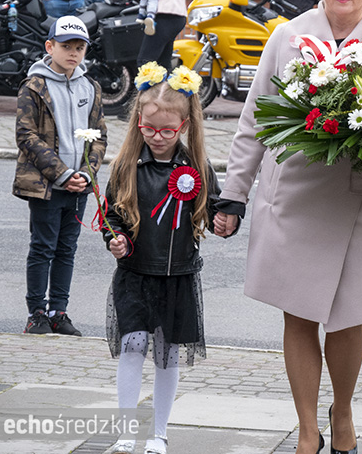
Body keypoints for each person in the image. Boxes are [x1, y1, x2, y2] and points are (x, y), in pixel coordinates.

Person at [214, 0, 362, 454]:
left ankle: (341, 413)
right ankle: (306, 429)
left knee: (347, 318)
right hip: (294, 197)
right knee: (298, 313)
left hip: (359, 197)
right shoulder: (287, 36)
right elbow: (255, 120)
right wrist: (233, 194)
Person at [100, 63, 219, 454]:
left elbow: (218, 211)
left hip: (178, 277)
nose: (157, 137)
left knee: (167, 357)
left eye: (167, 131)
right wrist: (115, 238)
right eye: (148, 128)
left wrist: (227, 219)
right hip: (134, 275)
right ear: (138, 121)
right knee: (132, 348)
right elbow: (111, 215)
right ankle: (125, 433)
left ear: (184, 125)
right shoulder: (125, 166)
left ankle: (159, 433)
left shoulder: (197, 168)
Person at [12, 15, 107, 337]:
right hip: (47, 185)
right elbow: (26, 136)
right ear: (50, 46)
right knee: (43, 248)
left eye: (79, 48)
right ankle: (36, 313)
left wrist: (87, 173)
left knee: (67, 249)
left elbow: (99, 136)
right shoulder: (34, 86)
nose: (73, 53)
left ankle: (58, 311)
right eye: (66, 46)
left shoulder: (90, 87)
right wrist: (63, 174)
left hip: (79, 185)